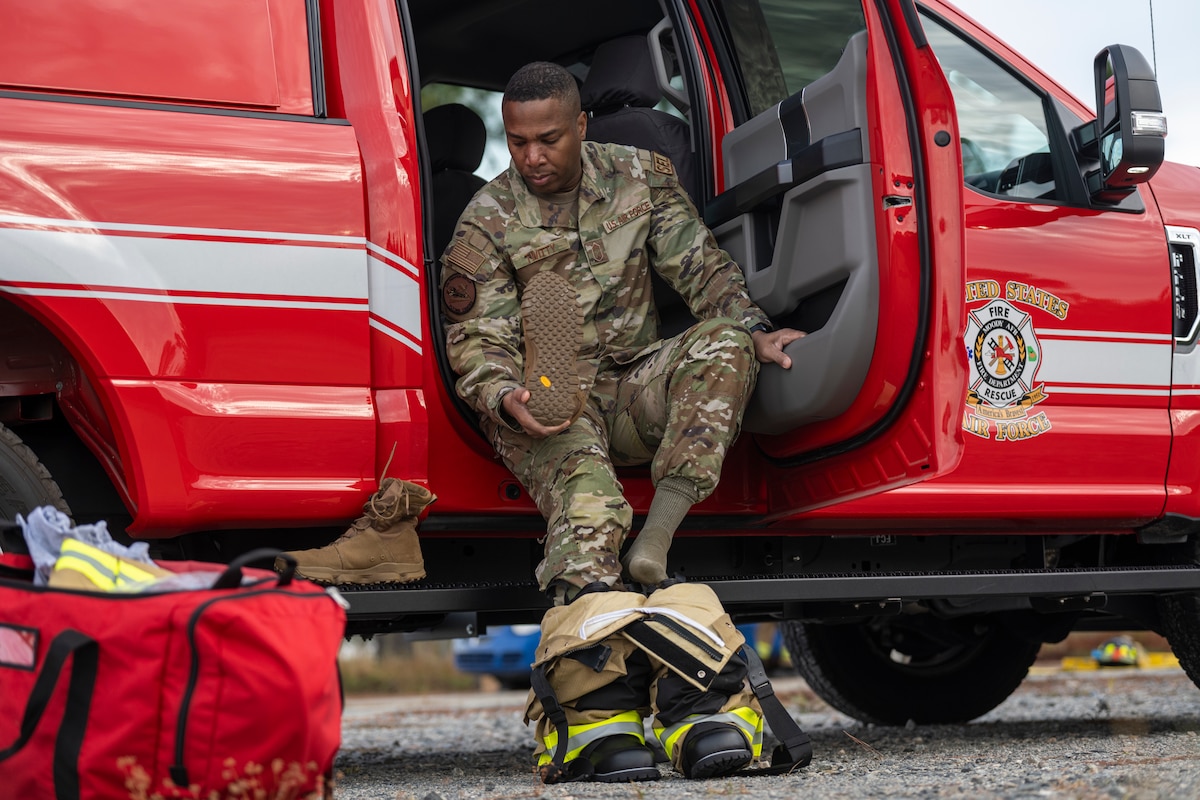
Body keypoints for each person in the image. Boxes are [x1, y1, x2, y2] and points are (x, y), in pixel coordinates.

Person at [440, 61, 806, 784]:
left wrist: (752, 328)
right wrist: (504, 393)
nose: (532, 157)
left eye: (548, 139)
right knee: (590, 504)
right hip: (544, 402)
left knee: (724, 345)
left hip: (633, 383)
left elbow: (698, 266)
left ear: (582, 126)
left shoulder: (641, 175)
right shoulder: (487, 219)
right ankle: (599, 711)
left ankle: (657, 544)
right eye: (517, 143)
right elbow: (474, 341)